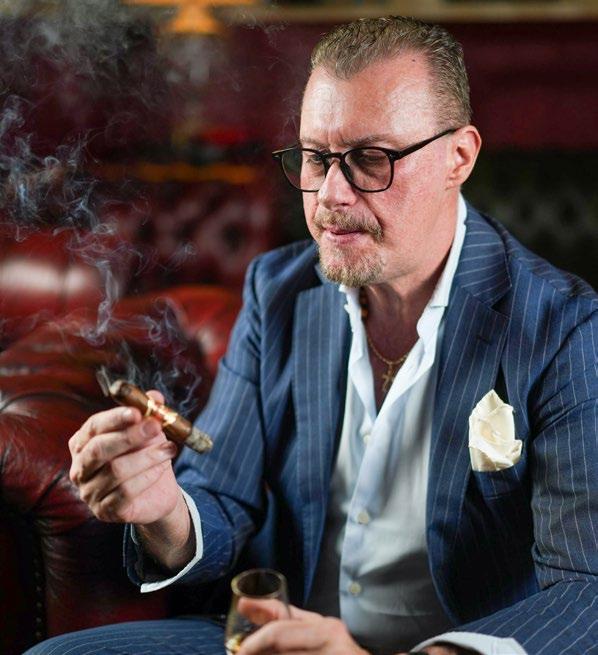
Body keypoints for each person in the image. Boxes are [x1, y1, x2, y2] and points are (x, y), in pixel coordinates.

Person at [28, 15, 597, 655]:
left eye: (371, 159)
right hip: (280, 638)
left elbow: (585, 590)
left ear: (457, 158)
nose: (329, 195)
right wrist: (161, 508)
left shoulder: (565, 328)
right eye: (315, 158)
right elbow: (220, 499)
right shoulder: (278, 290)